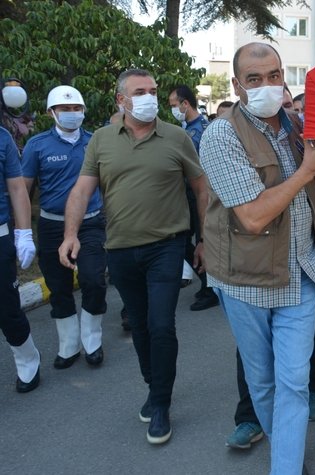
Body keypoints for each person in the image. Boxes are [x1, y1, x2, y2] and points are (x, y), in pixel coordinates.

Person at [198, 42, 315, 475]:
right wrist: (306, 170)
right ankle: (287, 449)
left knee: (294, 383)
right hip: (245, 278)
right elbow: (254, 216)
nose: (267, 86)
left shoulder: (303, 127)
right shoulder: (220, 135)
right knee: (262, 383)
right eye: (255, 79)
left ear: (284, 77)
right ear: (238, 84)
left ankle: (286, 466)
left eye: (274, 76)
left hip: (302, 271)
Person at [59, 68, 208, 445]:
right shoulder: (102, 141)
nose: (149, 97)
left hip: (167, 246)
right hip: (121, 248)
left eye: (153, 90)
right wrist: (71, 234)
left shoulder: (176, 137)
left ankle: (161, 403)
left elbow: (200, 187)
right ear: (120, 100)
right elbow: (80, 191)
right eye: (140, 91)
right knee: (139, 325)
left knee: (161, 325)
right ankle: (153, 384)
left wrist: (204, 237)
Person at [22, 85, 107, 369]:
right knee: (58, 287)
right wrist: (21, 230)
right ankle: (69, 346)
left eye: (76, 109)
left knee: (94, 280)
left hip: (91, 223)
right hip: (51, 226)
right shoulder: (37, 145)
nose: (72, 114)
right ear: (51, 112)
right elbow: (24, 190)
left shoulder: (96, 141)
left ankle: (92, 340)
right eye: (65, 109)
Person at [169, 85, 219, 312]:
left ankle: (210, 288)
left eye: (173, 105)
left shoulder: (197, 131)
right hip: (190, 195)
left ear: (185, 104)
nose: (172, 110)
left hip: (199, 194)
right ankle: (208, 284)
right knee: (186, 242)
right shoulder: (188, 129)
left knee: (201, 241)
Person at [1, 125, 41, 393]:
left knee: (7, 310)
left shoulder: (2, 137)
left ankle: (27, 358)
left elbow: (17, 188)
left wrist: (24, 233)